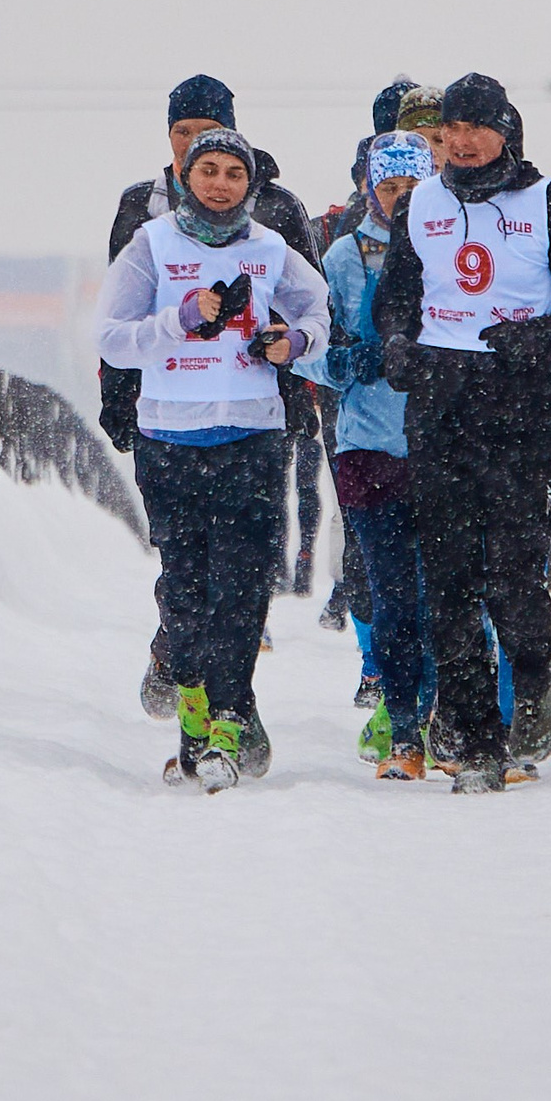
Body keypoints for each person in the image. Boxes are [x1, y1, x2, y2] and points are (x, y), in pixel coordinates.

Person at [376, 73, 551, 794]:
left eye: (478, 128)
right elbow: (396, 299)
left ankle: (535, 676)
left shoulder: (548, 204)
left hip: (520, 402)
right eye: (450, 130)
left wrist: (540, 335)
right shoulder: (420, 205)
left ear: (506, 131)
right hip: (442, 402)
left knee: (513, 571)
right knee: (447, 579)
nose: (462, 141)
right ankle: (476, 737)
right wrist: (396, 345)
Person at [97, 126, 330, 792]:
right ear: (188, 176)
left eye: (234, 172)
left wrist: (291, 342)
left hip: (250, 437)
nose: (220, 182)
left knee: (243, 585)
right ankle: (195, 710)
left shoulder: (270, 249)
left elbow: (320, 317)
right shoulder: (153, 244)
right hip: (169, 440)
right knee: (185, 586)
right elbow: (111, 337)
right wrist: (176, 319)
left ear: (250, 185)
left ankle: (228, 718)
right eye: (209, 170)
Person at [297, 131, 439, 779]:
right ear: (369, 189)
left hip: (440, 442)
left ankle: (440, 715)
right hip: (367, 446)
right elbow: (317, 353)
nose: (402, 199)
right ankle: (404, 725)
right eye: (390, 187)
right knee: (391, 593)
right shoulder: (345, 258)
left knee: (443, 591)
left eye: (413, 187)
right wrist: (362, 358)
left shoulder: (449, 248)